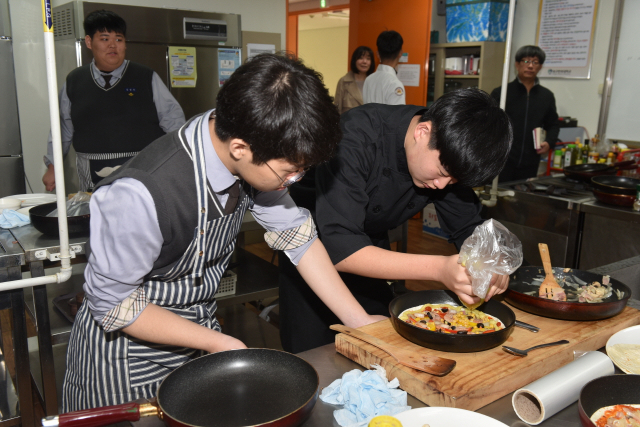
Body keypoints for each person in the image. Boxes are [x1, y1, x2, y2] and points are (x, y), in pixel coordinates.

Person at [61, 53, 385, 411]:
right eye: (290, 172)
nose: (294, 181)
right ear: (240, 149)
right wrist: (219, 343)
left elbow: (298, 239)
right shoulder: (139, 194)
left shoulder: (249, 141)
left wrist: (359, 322)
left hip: (198, 342)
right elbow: (113, 304)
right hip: (122, 361)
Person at [279, 88, 513, 353]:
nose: (442, 185)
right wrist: (439, 270)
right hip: (310, 252)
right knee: (314, 356)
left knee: (383, 348)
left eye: (454, 180)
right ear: (422, 132)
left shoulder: (447, 156)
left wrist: (490, 262)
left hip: (371, 251)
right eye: (442, 173)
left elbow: (468, 227)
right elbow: (341, 248)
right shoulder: (355, 136)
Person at [42, 9, 185, 192]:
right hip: (91, 176)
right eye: (104, 39)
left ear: (125, 44)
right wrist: (53, 167)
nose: (113, 46)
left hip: (142, 171)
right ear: (89, 42)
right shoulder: (75, 81)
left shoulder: (146, 77)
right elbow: (61, 130)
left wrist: (183, 162)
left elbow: (174, 123)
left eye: (118, 39)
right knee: (96, 218)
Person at [491, 45, 559, 182]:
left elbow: (553, 124)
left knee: (524, 198)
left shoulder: (546, 96)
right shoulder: (502, 92)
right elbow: (489, 123)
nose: (530, 66)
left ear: (540, 67)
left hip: (531, 161)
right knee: (498, 198)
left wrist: (549, 142)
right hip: (503, 160)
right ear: (517, 64)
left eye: (535, 62)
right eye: (526, 61)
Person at [363, 30, 405, 105]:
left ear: (378, 54)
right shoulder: (395, 84)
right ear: (400, 53)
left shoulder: (368, 80)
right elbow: (398, 115)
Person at [334, 46, 375, 114]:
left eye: (368, 59)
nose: (364, 61)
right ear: (354, 60)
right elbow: (337, 108)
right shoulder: (344, 82)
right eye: (361, 58)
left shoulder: (375, 82)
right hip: (348, 123)